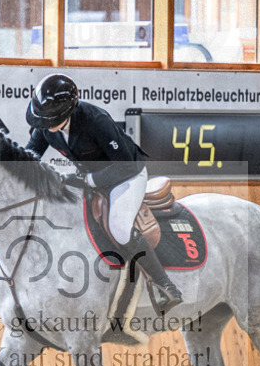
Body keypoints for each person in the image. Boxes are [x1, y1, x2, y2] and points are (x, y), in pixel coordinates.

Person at [25, 73, 182, 313]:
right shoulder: (46, 125)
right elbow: (28, 157)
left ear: (66, 113)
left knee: (119, 228)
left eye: (47, 121)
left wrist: (88, 180)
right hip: (91, 180)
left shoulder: (95, 120)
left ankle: (166, 285)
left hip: (127, 175)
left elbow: (125, 165)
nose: (42, 127)